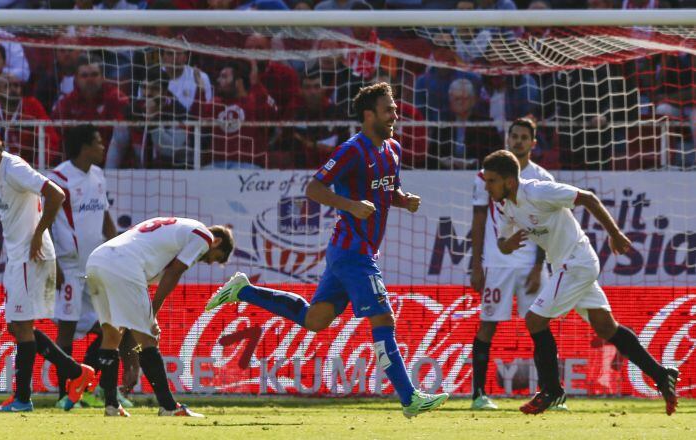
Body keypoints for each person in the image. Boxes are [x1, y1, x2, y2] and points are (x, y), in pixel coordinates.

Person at [205, 83, 449, 419]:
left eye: (394, 108)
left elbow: (387, 190)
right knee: (383, 318)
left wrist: (402, 200)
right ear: (369, 115)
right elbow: (314, 187)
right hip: (353, 251)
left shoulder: (393, 149)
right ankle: (409, 398)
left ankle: (243, 289)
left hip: (352, 252)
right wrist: (349, 204)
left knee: (315, 319)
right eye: (388, 109)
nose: (395, 114)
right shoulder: (352, 150)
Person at [481, 149, 680, 415]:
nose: (487, 186)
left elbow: (587, 198)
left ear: (508, 181)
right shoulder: (504, 205)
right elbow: (502, 245)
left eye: (491, 181)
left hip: (577, 261)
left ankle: (552, 390)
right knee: (606, 327)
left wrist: (615, 234)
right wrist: (509, 244)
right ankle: (661, 374)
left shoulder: (538, 191)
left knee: (534, 320)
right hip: (565, 265)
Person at [0, 126, 95, 412]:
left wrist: (39, 234)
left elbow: (56, 195)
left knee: (21, 326)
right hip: (17, 257)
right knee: (16, 326)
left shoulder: (15, 167)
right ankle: (77, 372)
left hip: (31, 256)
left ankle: (22, 398)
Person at [85, 218, 234, 417]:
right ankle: (169, 407)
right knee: (148, 340)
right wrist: (152, 314)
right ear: (216, 242)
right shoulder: (203, 236)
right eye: (215, 258)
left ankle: (111, 405)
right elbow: (174, 272)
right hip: (122, 264)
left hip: (97, 260)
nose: (208, 262)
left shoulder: (170, 237)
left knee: (111, 336)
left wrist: (147, 318)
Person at [468, 118, 556, 410]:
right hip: (498, 264)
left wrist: (537, 266)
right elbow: (479, 219)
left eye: (524, 137)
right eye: (514, 136)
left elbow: (548, 225)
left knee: (539, 326)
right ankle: (478, 395)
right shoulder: (486, 176)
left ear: (533, 143)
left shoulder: (543, 178)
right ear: (508, 139)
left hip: (532, 264)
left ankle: (550, 393)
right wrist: (477, 264)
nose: (518, 141)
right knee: (487, 325)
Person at [48, 124, 137, 409]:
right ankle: (65, 394)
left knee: (107, 329)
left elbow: (104, 215)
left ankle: (92, 387)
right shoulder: (58, 178)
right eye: (99, 143)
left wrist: (119, 247)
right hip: (71, 268)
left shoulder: (98, 176)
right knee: (67, 332)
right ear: (84, 147)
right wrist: (54, 266)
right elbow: (45, 225)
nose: (103, 148)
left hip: (97, 265)